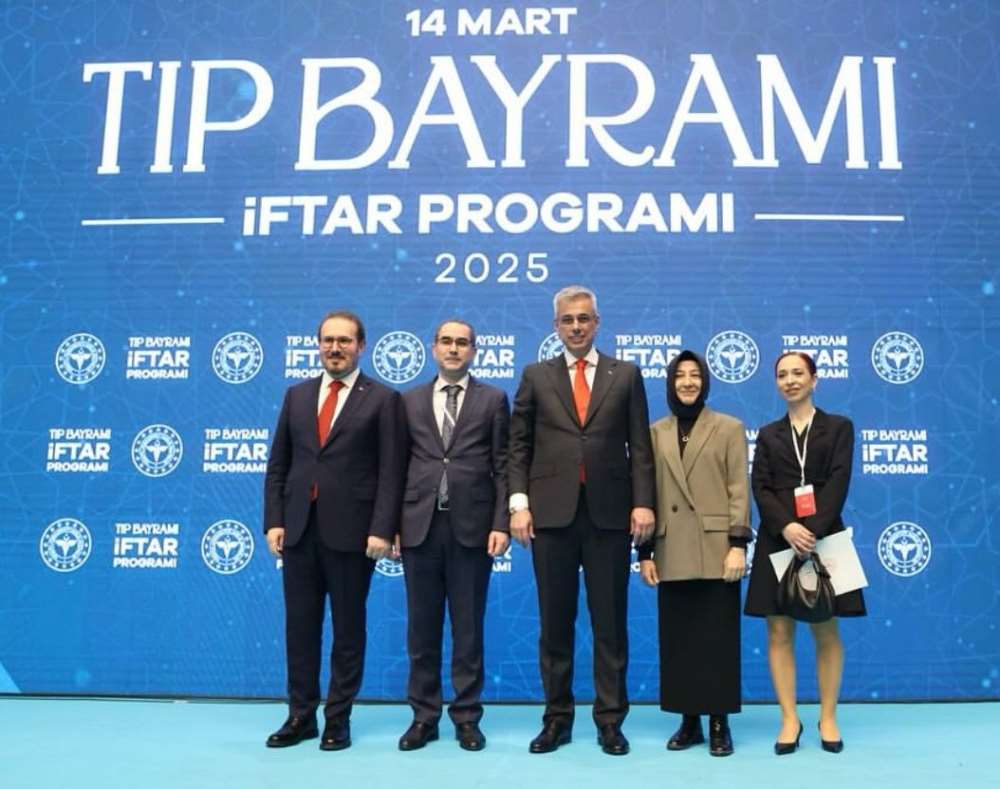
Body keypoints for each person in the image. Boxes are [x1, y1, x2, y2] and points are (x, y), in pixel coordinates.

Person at [508, 285, 656, 756]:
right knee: (555, 624)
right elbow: (518, 446)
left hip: (610, 517)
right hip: (550, 516)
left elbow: (641, 447)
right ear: (556, 326)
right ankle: (557, 720)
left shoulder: (625, 374)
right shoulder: (535, 375)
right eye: (568, 319)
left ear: (597, 322)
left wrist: (644, 502)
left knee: (610, 624)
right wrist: (518, 504)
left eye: (584, 318)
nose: (576, 326)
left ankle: (610, 721)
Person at [263, 310, 407, 751]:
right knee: (300, 629)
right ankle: (300, 715)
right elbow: (279, 464)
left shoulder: (383, 399)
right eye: (328, 340)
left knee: (348, 630)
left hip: (353, 534)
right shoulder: (297, 395)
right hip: (299, 532)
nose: (335, 348)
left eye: (344, 341)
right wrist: (274, 520)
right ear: (318, 345)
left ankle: (337, 719)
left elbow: (392, 471)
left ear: (361, 346)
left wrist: (382, 528)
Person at [397, 319, 511, 752]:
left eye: (462, 343)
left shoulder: (493, 399)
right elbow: (396, 467)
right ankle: (423, 717)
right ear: (433, 348)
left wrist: (500, 523)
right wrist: (390, 526)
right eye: (446, 341)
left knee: (468, 630)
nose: (454, 349)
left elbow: (503, 466)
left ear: (474, 351)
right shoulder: (408, 401)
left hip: (472, 529)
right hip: (419, 528)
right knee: (421, 630)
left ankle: (466, 717)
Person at [744, 351, 865, 755]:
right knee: (779, 631)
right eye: (782, 375)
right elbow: (760, 487)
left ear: (815, 379)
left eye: (798, 373)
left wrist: (811, 530)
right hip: (778, 537)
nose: (790, 380)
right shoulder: (768, 434)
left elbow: (839, 481)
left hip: (825, 536)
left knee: (826, 627)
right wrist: (787, 527)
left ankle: (828, 717)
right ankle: (789, 719)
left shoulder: (839, 427)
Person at [638, 350, 750, 757]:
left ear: (705, 382)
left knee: (718, 637)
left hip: (717, 547)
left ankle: (719, 722)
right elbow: (647, 494)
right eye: (680, 375)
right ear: (670, 382)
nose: (688, 382)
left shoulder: (729, 427)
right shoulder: (655, 432)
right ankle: (689, 722)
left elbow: (739, 489)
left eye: (695, 375)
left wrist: (738, 545)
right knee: (679, 638)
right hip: (671, 546)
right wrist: (645, 551)